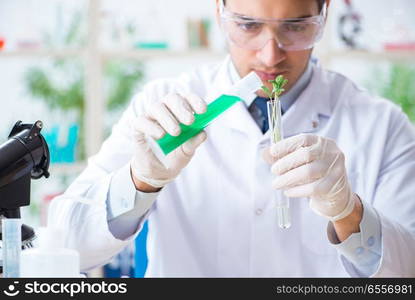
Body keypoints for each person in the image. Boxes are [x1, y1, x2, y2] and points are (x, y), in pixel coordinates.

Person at [48, 0, 415, 277]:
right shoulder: (159, 105)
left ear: (324, 16)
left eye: (296, 27)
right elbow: (68, 245)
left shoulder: (382, 125)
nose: (270, 55)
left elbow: (407, 273)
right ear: (220, 13)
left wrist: (348, 211)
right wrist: (140, 180)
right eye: (248, 25)